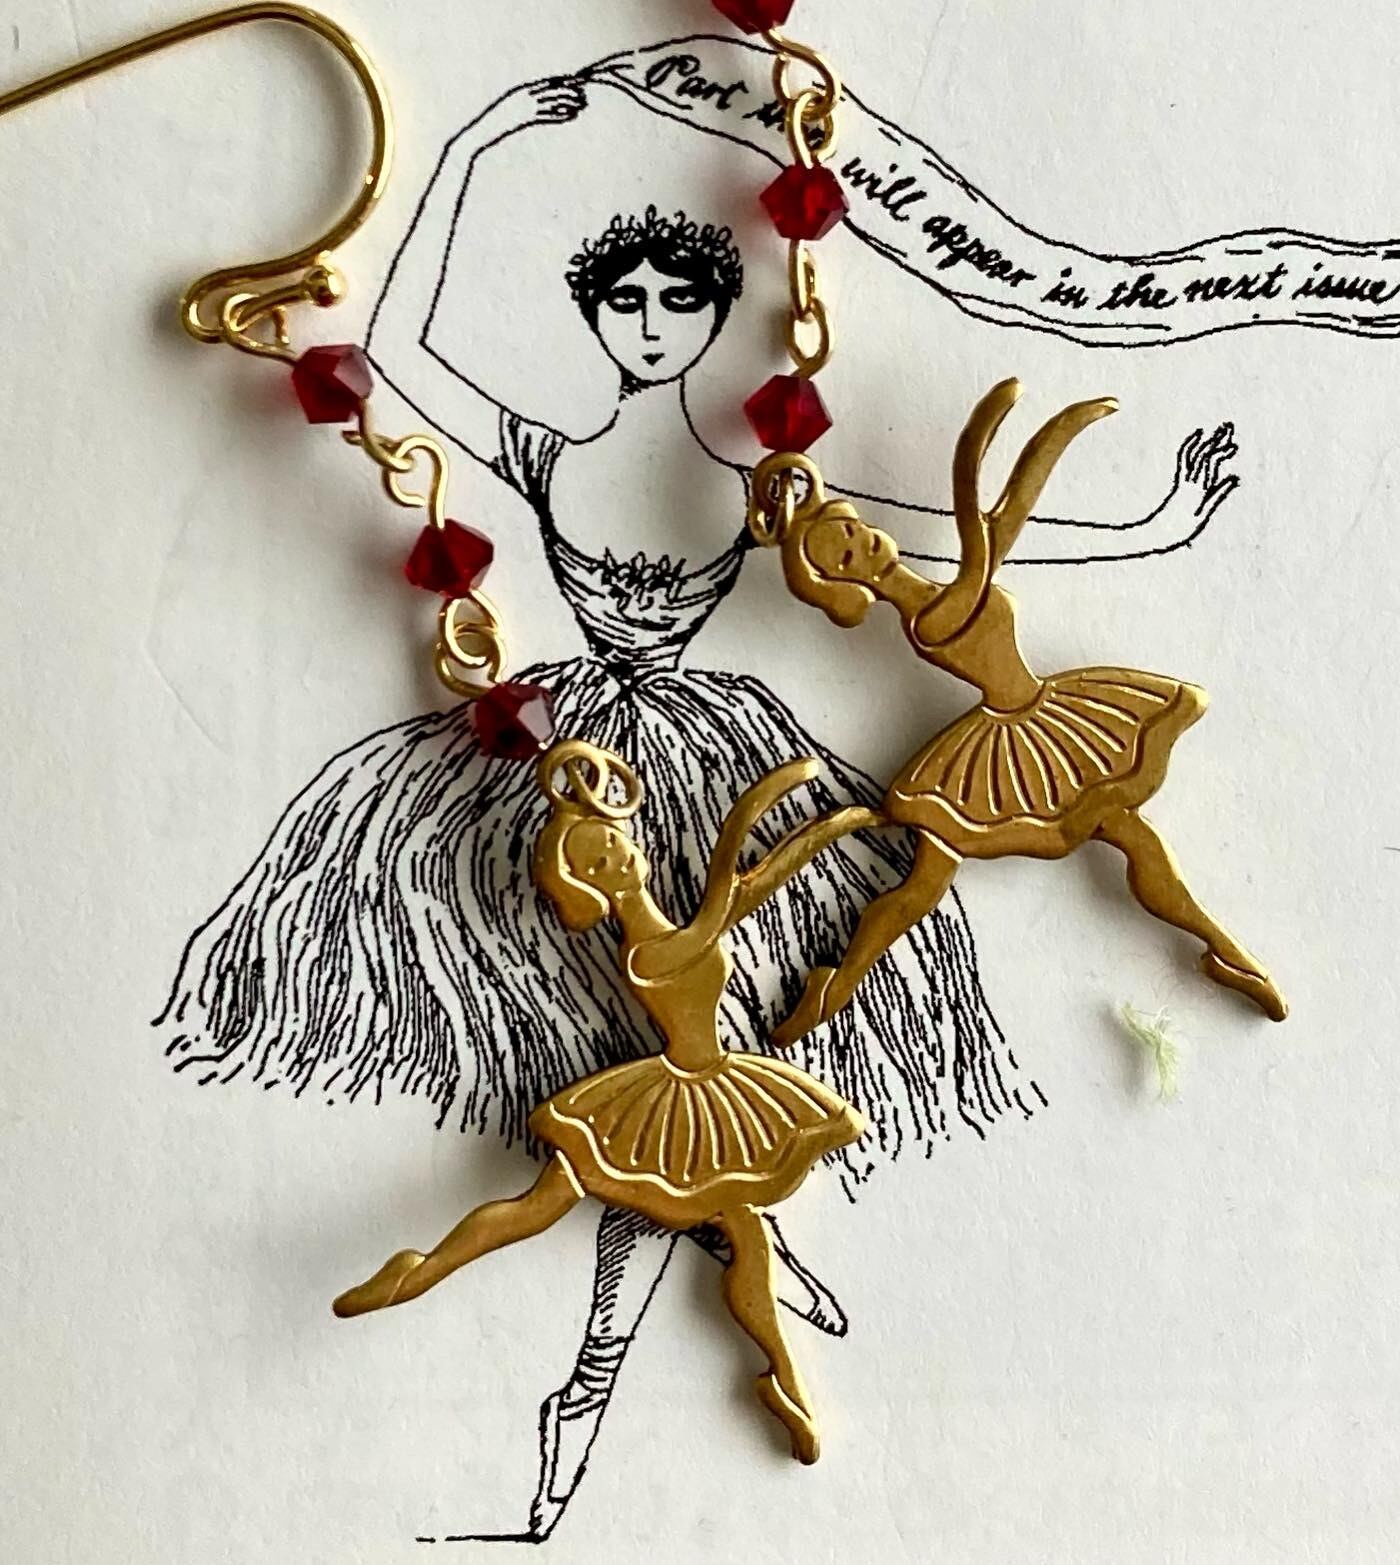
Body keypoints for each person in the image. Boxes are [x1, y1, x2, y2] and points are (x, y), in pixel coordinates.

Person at [158, 75, 1239, 1541]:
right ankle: (712, 1237)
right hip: (557, 748)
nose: (655, 322)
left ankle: (728, 1227)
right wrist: (472, 147)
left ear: (721, 310)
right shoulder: (538, 447)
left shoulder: (750, 471)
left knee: (754, 1004)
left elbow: (947, 533)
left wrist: (1164, 516)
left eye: (683, 300)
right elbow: (406, 351)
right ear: (594, 315)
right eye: (628, 301)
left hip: (708, 746)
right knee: (568, 1011)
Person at [335, 744, 871, 1471]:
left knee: (743, 1235)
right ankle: (419, 1270)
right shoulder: (649, 950)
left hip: (711, 1088)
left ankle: (786, 1382)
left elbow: (748, 882)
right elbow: (731, 885)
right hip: (675, 1099)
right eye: (600, 859)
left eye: (614, 845)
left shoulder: (670, 926)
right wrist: (775, 804)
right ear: (592, 881)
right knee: (541, 1205)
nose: (620, 856)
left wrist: (835, 823)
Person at [753, 380, 1287, 1048]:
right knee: (941, 883)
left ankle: (835, 987)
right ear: (848, 582)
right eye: (848, 554)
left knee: (951, 881)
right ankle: (835, 987)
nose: (865, 543)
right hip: (1015, 745)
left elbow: (1001, 520)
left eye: (855, 531)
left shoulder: (940, 593)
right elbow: (983, 540)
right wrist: (981, 442)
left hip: (1043, 714)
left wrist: (1057, 432)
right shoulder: (932, 615)